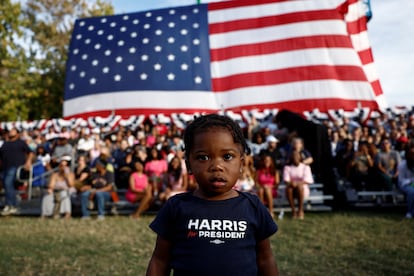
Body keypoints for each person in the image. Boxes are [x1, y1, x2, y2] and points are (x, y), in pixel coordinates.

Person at [147, 114, 279, 275]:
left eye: (227, 157)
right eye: (203, 157)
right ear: (189, 165)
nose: (217, 166)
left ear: (241, 164)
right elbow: (160, 260)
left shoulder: (253, 206)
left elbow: (265, 259)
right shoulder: (176, 207)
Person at [0, 127, 34, 216]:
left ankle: (10, 205)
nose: (11, 131)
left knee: (8, 183)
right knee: (7, 185)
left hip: (16, 167)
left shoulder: (21, 143)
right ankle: (13, 205)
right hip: (4, 168)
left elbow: (30, 152)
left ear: (17, 134)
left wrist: (28, 162)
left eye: (13, 130)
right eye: (10, 130)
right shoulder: (5, 144)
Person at [283, 151, 314, 220]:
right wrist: (292, 183)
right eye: (293, 156)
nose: (295, 157)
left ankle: (300, 210)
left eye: (297, 156)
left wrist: (298, 183)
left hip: (303, 189)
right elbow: (286, 179)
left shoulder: (305, 167)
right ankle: (293, 211)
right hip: (291, 188)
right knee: (289, 189)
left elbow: (308, 180)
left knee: (300, 187)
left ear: (300, 157)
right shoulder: (287, 167)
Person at [397, 143, 414, 219]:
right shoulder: (402, 165)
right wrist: (411, 181)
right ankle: (410, 212)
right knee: (412, 192)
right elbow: (401, 179)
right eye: (411, 154)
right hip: (405, 184)